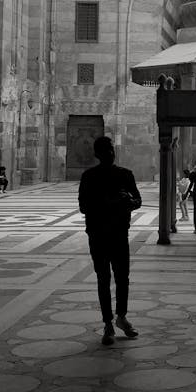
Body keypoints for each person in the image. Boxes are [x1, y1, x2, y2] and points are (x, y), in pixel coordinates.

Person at [78, 135, 142, 345]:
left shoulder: (125, 175)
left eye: (111, 150)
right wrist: (108, 203)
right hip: (97, 235)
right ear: (98, 154)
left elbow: (138, 200)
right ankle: (108, 323)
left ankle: (121, 317)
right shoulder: (89, 177)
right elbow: (83, 207)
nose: (110, 154)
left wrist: (128, 201)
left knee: (122, 277)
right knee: (103, 278)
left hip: (119, 233)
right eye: (106, 151)